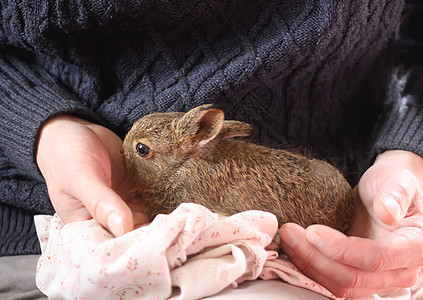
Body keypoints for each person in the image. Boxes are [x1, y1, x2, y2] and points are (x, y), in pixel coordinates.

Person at [0, 0, 422, 298]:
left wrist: (411, 148)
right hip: (37, 232)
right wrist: (46, 129)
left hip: (353, 230)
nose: (135, 158)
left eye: (143, 152)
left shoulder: (195, 177)